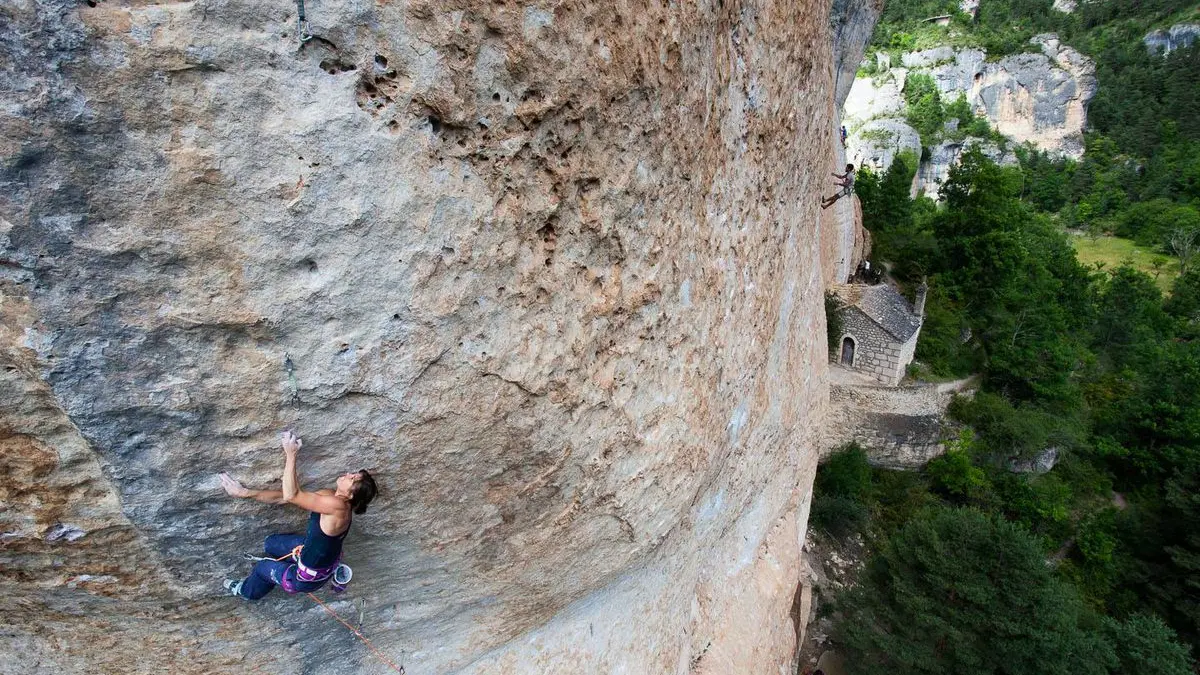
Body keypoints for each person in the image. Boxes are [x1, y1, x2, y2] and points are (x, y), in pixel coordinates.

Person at [219, 430, 377, 600]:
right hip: (313, 551)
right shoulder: (330, 496)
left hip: (305, 578)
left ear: (351, 495)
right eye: (353, 474)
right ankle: (294, 564)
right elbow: (285, 497)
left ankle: (246, 591)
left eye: (352, 479)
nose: (348, 474)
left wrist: (291, 453)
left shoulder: (338, 507)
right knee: (271, 543)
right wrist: (245, 492)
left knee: (262, 568)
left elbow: (291, 495)